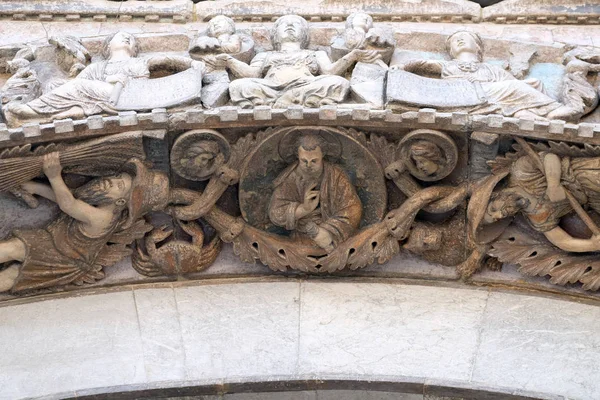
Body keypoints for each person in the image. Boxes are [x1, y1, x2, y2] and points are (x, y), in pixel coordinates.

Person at [0, 153, 169, 293]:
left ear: (120, 202)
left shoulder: (103, 217)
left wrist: (54, 176)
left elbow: (69, 205)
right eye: (117, 176)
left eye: (119, 186)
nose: (110, 180)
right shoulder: (96, 203)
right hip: (57, 246)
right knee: (13, 273)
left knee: (11, 250)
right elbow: (65, 198)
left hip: (61, 254)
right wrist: (36, 188)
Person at [6, 31, 203, 120]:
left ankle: (32, 111)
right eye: (121, 36)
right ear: (108, 45)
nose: (127, 38)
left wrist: (193, 63)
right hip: (105, 97)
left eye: (132, 39)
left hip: (133, 97)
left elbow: (168, 59)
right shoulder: (98, 67)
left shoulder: (139, 62)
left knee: (77, 87)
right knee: (59, 84)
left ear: (135, 49)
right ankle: (72, 111)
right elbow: (78, 82)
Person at [392, 31, 577, 120]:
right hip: (461, 96)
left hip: (488, 95)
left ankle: (539, 117)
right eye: (455, 41)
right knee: (515, 88)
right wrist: (400, 67)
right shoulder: (448, 65)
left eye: (465, 37)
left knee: (532, 83)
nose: (460, 40)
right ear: (450, 51)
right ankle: (554, 109)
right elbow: (421, 64)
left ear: (478, 46)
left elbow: (513, 83)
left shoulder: (492, 70)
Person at [215, 14, 380, 109]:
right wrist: (229, 60)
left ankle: (287, 99)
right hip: (271, 88)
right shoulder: (265, 55)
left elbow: (330, 72)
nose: (289, 26)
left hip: (305, 85)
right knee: (236, 86)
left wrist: (352, 56)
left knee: (339, 83)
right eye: (284, 24)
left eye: (295, 24)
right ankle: (288, 98)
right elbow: (251, 74)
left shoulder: (315, 53)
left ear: (305, 34)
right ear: (274, 35)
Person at [481, 151, 600, 252]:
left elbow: (549, 157)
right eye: (496, 218)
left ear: (494, 194)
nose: (500, 214)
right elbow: (562, 241)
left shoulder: (520, 174)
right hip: (591, 200)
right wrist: (591, 245)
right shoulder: (536, 217)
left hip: (582, 175)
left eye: (493, 209)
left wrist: (553, 185)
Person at [268, 134, 362, 252]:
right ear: (298, 157)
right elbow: (275, 213)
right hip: (299, 242)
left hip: (332, 238)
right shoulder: (290, 178)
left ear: (322, 156)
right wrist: (304, 209)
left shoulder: (336, 176)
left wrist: (328, 231)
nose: (308, 165)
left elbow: (353, 208)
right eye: (304, 161)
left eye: (314, 161)